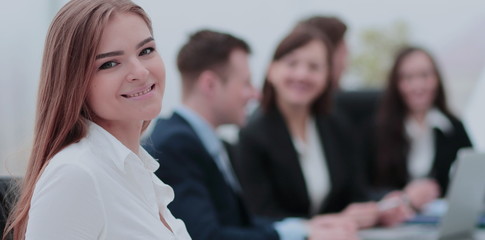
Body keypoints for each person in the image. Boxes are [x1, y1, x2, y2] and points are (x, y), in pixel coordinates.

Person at [144, 29, 359, 240]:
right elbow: (206, 236)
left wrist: (304, 227)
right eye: (246, 83)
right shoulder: (176, 145)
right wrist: (299, 234)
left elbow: (238, 223)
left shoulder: (201, 142)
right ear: (210, 84)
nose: (255, 94)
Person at [3, 0, 191, 239]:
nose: (141, 72)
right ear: (74, 83)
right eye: (110, 63)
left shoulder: (137, 171)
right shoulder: (76, 174)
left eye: (146, 51)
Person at [235, 26, 409, 229]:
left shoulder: (334, 124)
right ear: (271, 71)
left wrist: (380, 207)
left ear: (327, 77)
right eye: (292, 64)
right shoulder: (252, 136)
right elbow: (260, 216)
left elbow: (356, 193)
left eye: (314, 67)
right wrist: (326, 224)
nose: (302, 74)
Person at [361, 46, 473, 211]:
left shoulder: (453, 127)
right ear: (397, 84)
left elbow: (472, 179)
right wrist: (405, 198)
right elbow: (361, 189)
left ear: (436, 80)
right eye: (408, 78)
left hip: (439, 223)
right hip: (391, 223)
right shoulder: (376, 130)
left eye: (425, 76)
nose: (418, 85)